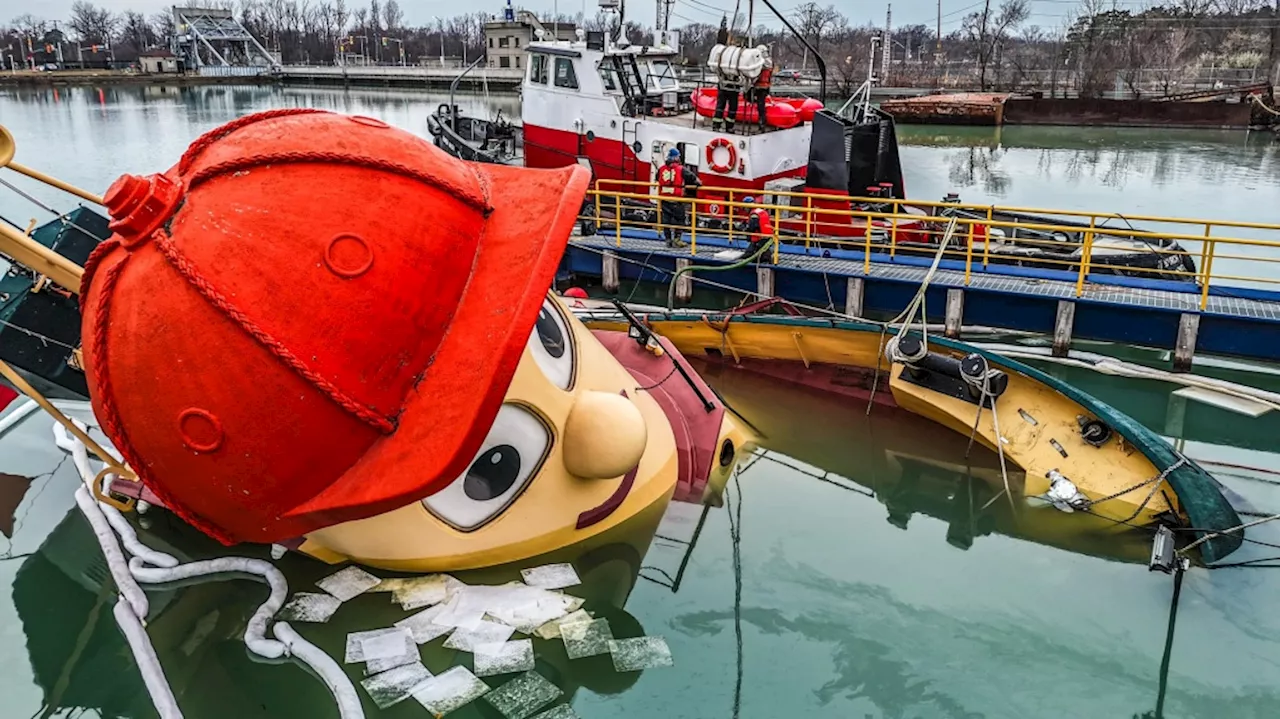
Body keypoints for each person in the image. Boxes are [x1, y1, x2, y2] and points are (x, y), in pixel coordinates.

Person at [656, 147, 701, 247]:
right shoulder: (681, 169)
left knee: (666, 220)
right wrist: (698, 183)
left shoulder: (661, 169)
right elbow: (693, 178)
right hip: (676, 200)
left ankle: (668, 239)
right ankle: (677, 239)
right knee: (680, 219)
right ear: (676, 158)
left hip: (664, 199)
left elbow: (657, 178)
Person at [749, 54, 773, 131]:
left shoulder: (760, 63)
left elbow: (756, 76)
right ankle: (762, 121)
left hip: (760, 87)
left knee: (759, 105)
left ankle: (761, 122)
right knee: (761, 104)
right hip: (765, 87)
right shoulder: (769, 62)